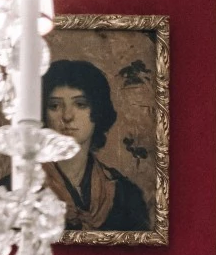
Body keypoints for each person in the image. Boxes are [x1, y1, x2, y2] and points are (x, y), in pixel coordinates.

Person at [40, 59, 151, 235]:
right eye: (55, 105)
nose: (67, 116)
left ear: (98, 111)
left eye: (80, 104)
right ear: (43, 114)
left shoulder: (125, 195)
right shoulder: (16, 189)